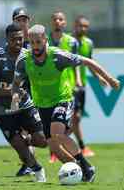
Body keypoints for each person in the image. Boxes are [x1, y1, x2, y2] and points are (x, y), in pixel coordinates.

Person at [11, 24, 120, 182]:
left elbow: (88, 61)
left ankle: (85, 166)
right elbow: (15, 83)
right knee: (54, 146)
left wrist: (109, 79)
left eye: (38, 42)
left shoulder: (57, 56)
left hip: (62, 99)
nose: (35, 46)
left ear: (45, 40)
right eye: (32, 42)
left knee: (57, 134)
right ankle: (81, 170)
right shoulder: (24, 61)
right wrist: (15, 96)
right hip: (42, 105)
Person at [0, 23, 47, 182]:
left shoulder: (28, 56)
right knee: (20, 148)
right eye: (14, 39)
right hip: (1, 110)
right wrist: (11, 92)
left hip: (25, 106)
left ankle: (25, 140)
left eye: (20, 39)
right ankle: (38, 170)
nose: (18, 43)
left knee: (43, 140)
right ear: (7, 39)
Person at [47, 10, 78, 163]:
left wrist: (77, 80)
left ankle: (58, 148)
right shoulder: (44, 41)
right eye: (55, 19)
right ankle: (55, 150)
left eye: (60, 19)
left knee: (70, 123)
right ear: (51, 22)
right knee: (51, 126)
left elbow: (76, 64)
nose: (57, 21)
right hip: (48, 89)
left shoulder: (72, 42)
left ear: (64, 23)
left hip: (68, 87)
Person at [12, 7, 35, 177]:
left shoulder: (37, 40)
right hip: (21, 91)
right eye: (18, 20)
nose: (22, 23)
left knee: (32, 130)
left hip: (38, 90)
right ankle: (29, 163)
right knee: (23, 130)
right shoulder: (11, 43)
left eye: (24, 20)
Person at [70, 15, 95, 157]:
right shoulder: (67, 41)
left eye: (86, 26)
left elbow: (90, 63)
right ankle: (78, 147)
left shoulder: (88, 43)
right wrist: (76, 79)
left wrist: (100, 77)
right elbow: (74, 63)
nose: (83, 28)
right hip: (68, 85)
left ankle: (63, 145)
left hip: (82, 86)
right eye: (80, 25)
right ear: (75, 25)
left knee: (77, 118)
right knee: (72, 117)